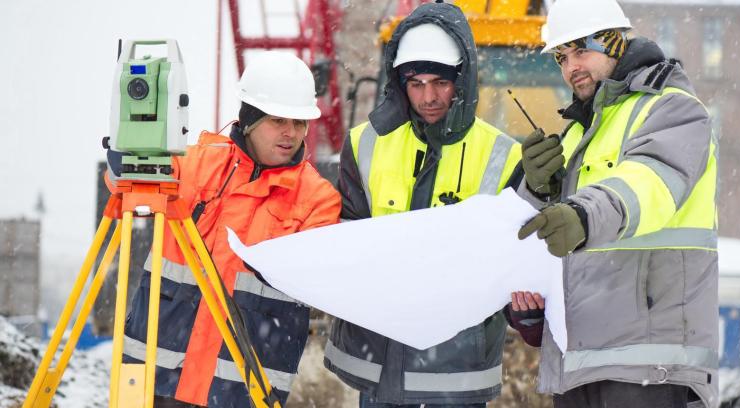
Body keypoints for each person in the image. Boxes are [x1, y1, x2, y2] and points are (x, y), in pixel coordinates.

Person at [513, 0, 719, 406]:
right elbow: (538, 240)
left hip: (649, 365)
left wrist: (582, 214)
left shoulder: (672, 109)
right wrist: (533, 190)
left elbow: (648, 183)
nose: (571, 67)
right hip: (577, 365)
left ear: (614, 43)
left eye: (581, 50)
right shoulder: (574, 136)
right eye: (561, 57)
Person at [106, 51, 341, 407]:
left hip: (240, 392)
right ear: (249, 118)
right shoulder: (197, 163)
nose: (290, 133)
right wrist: (124, 162)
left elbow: (319, 283)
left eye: (299, 122)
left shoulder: (318, 200)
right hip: (156, 378)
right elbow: (128, 181)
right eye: (278, 120)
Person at [323, 3, 525, 407]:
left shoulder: (504, 156)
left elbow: (515, 266)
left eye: (441, 82)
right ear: (399, 82)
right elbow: (344, 242)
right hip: (378, 371)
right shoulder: (364, 144)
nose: (429, 97)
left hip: (458, 373)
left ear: (462, 80)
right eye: (416, 84)